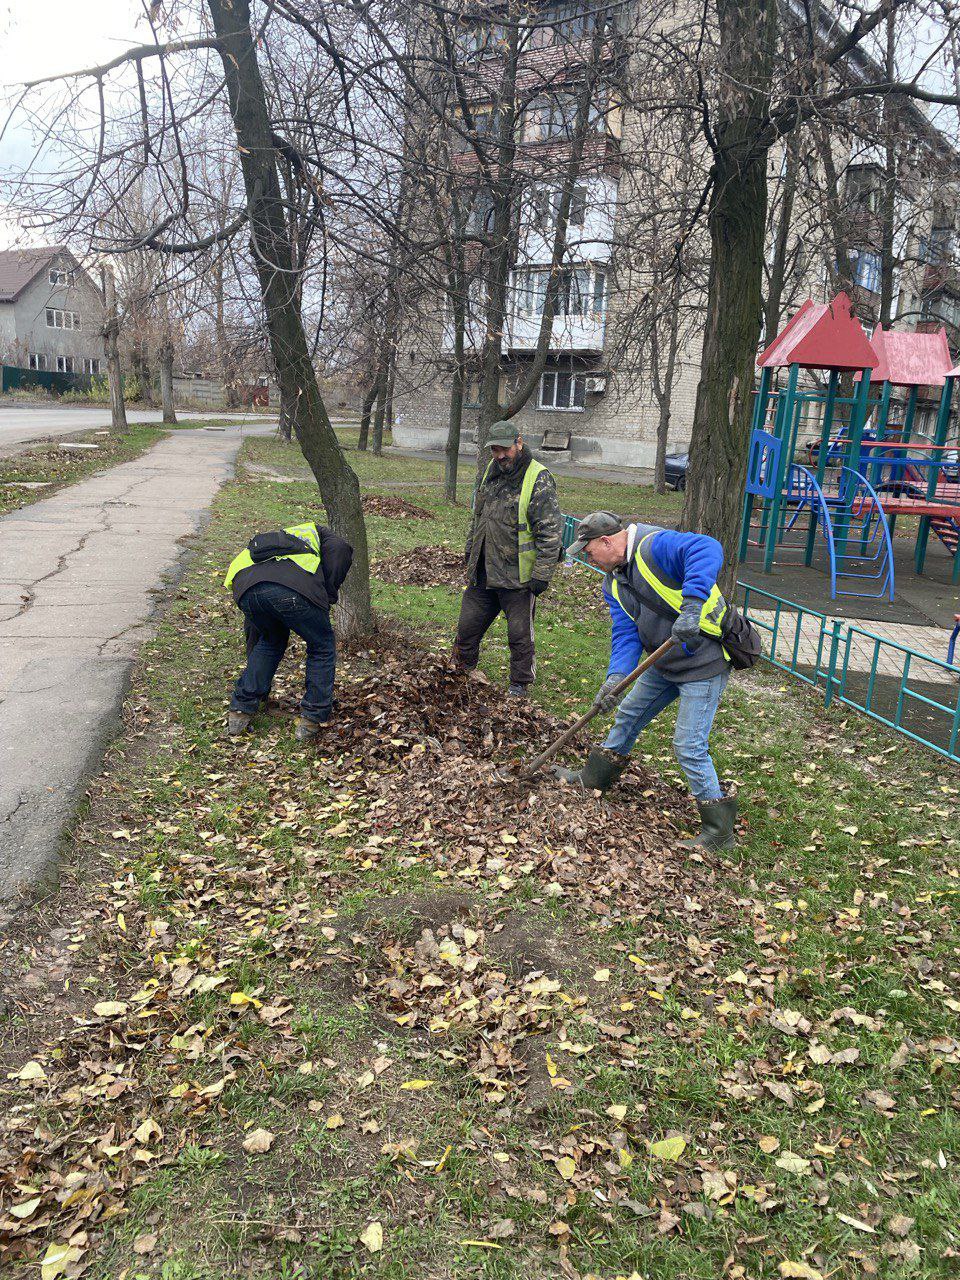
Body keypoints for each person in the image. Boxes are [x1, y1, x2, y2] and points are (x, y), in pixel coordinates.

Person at [555, 510, 736, 851]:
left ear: (606, 541)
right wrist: (615, 680)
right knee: (627, 715)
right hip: (662, 662)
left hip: (703, 663)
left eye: (590, 552)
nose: (590, 560)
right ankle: (594, 778)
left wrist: (693, 606)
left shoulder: (655, 546)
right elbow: (626, 635)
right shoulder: (613, 584)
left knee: (689, 745)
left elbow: (707, 547)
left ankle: (719, 831)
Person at [453, 421, 563, 696]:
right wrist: (470, 551)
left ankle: (519, 686)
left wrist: (542, 573)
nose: (500, 455)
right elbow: (478, 518)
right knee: (466, 630)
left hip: (518, 577)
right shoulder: (491, 471)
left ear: (519, 443)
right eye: (495, 450)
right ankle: (458, 676)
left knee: (519, 637)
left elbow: (550, 532)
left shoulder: (537, 478)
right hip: (484, 571)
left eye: (505, 449)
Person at [224, 520, 353, 741]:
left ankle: (240, 711)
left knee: (270, 641)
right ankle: (311, 719)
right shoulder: (321, 535)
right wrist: (328, 594)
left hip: (245, 590)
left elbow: (253, 633)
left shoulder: (271, 543)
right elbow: (341, 549)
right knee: (321, 645)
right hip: (291, 591)